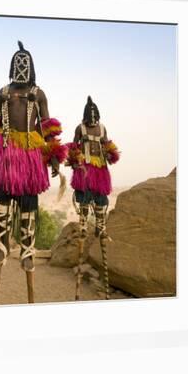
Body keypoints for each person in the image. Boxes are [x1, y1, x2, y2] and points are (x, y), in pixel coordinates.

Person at [0, 41, 67, 304]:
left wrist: (55, 159)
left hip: (30, 158)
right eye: (17, 63)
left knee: (27, 206)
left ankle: (27, 249)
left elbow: (46, 127)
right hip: (5, 155)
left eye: (25, 63)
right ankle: (0, 246)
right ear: (12, 67)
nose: (21, 67)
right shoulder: (2, 92)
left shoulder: (39, 94)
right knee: (0, 202)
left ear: (31, 68)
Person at [65, 96, 120, 300]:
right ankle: (83, 225)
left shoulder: (103, 128)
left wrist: (110, 153)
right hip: (86, 170)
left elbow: (108, 147)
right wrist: (76, 160)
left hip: (100, 170)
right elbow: (74, 148)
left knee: (100, 201)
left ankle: (100, 226)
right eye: (91, 117)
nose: (94, 120)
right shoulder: (80, 128)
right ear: (86, 117)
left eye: (96, 117)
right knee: (84, 201)